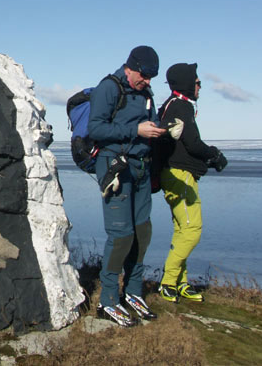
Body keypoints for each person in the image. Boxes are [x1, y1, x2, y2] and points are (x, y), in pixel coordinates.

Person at [88, 46, 167, 327]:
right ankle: (108, 300)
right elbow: (95, 129)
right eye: (144, 76)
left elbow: (149, 123)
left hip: (142, 167)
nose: (147, 82)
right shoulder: (108, 88)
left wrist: (159, 128)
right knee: (121, 235)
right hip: (115, 167)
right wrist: (137, 130)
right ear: (131, 67)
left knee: (142, 231)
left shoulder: (146, 93)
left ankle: (133, 292)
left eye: (151, 78)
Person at [154, 63, 228, 303]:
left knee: (181, 229)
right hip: (179, 175)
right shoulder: (181, 106)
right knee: (193, 230)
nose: (200, 86)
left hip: (175, 174)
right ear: (186, 83)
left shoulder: (172, 105)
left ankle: (180, 283)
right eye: (197, 82)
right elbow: (193, 143)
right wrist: (214, 155)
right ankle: (167, 283)